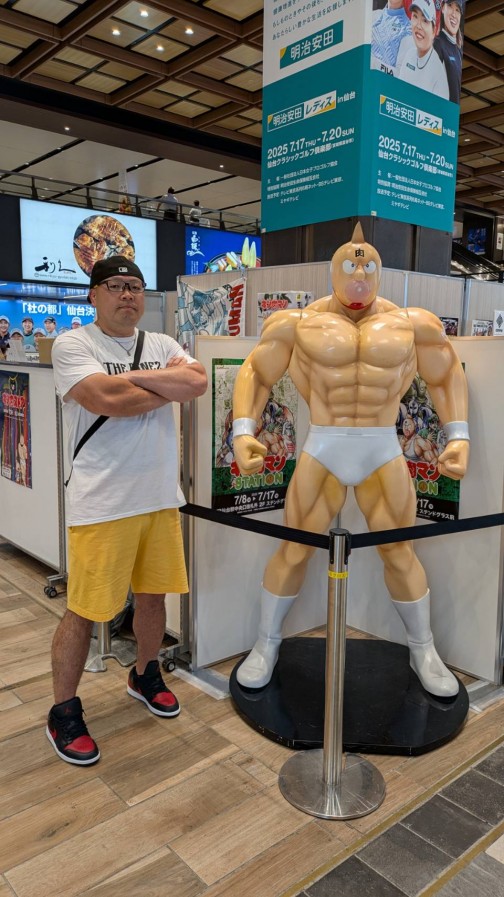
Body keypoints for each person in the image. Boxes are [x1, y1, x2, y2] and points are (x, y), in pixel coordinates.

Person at [232, 223, 469, 698]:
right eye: (350, 267)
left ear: (378, 271)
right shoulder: (298, 323)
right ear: (334, 272)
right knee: (295, 548)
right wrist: (242, 431)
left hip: (381, 446)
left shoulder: (412, 324)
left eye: (367, 268)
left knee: (399, 551)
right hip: (326, 443)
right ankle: (266, 644)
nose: (359, 276)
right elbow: (256, 372)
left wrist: (458, 435)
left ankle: (423, 650)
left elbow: (445, 377)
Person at [47, 254, 207, 765]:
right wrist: (160, 383)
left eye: (135, 286)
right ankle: (63, 711)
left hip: (158, 497)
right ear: (93, 295)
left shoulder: (161, 342)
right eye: (116, 286)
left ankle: (145, 674)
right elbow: (105, 399)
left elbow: (196, 383)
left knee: (154, 599)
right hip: (102, 501)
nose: (127, 295)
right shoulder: (74, 344)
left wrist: (136, 381)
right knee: (84, 609)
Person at [398, 0, 449, 99]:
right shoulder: (409, 55)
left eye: (425, 20)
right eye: (415, 16)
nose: (418, 25)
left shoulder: (438, 73)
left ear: (434, 30)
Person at [371, 0, 412, 76]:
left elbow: (401, 75)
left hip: (380, 82)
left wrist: (373, 64)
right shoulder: (372, 15)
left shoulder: (409, 29)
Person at [434, 0, 464, 103]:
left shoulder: (459, 51)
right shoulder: (437, 44)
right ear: (443, 8)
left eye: (457, 10)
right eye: (450, 6)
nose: (454, 14)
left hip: (452, 112)